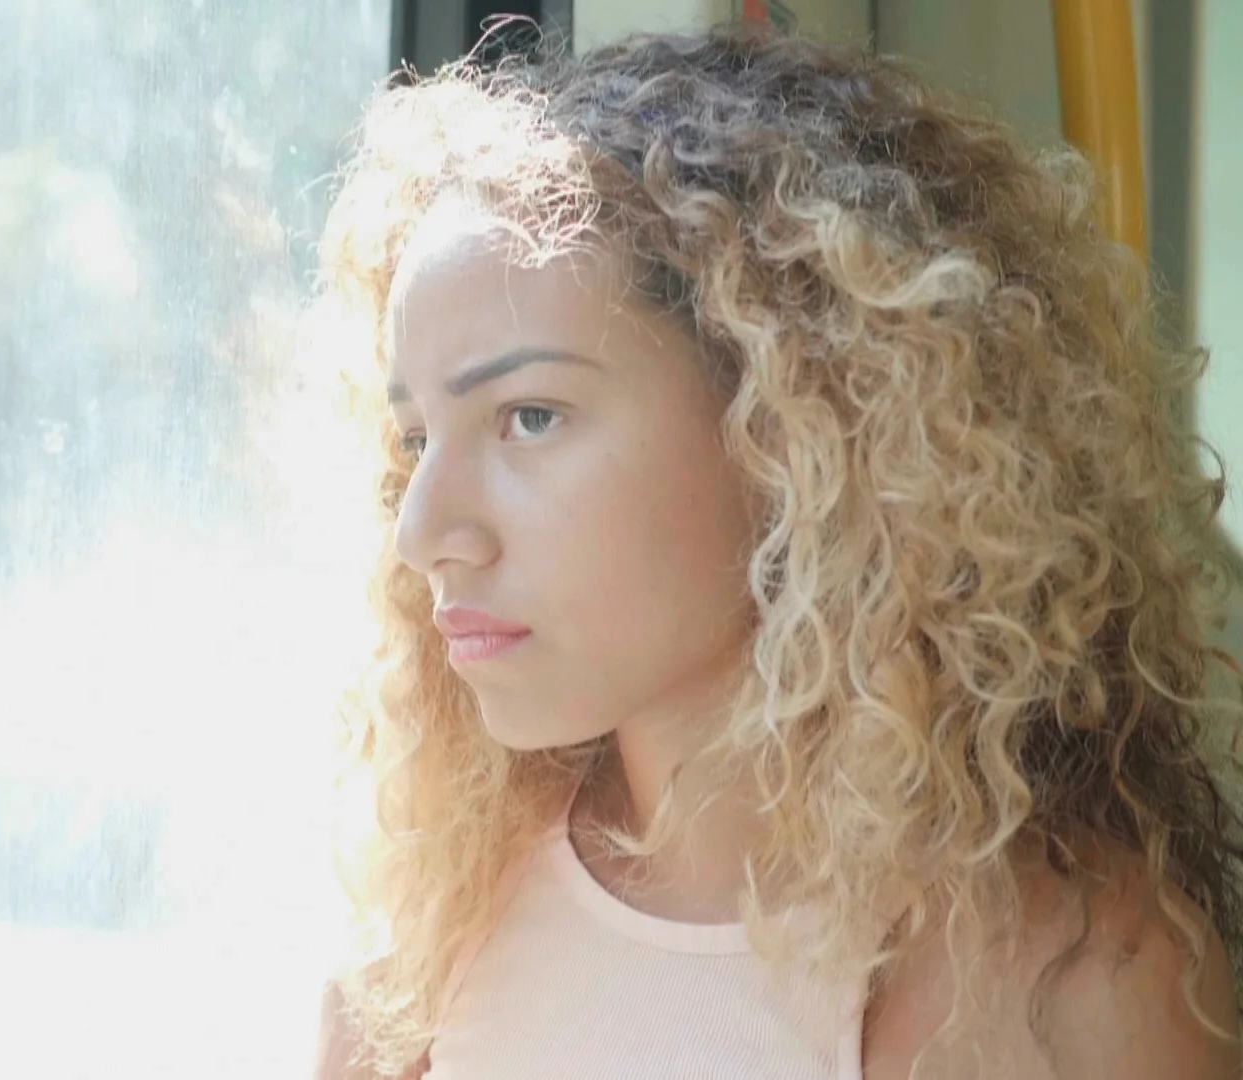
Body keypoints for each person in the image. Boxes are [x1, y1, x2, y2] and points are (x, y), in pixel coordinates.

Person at [309, 24, 1243, 1080]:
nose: (424, 533)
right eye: (416, 441)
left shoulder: (1064, 984)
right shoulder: (414, 962)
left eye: (529, 418)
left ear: (794, 426)